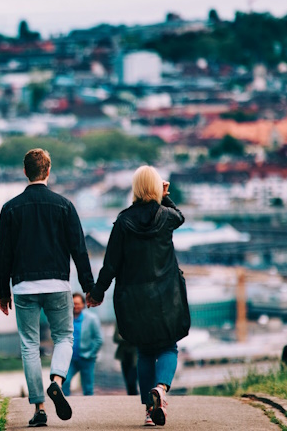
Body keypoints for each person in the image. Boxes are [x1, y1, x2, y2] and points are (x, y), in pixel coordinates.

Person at [0, 148, 94, 428]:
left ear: (25, 171)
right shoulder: (64, 205)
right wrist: (89, 287)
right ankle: (57, 380)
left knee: (29, 346)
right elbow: (79, 249)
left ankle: (39, 408)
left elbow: (4, 254)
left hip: (24, 286)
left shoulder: (10, 208)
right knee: (64, 337)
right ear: (48, 171)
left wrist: (3, 292)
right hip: (57, 284)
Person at [89, 166, 189, 427]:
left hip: (135, 298)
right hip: (166, 295)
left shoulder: (123, 221)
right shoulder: (166, 217)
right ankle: (161, 389)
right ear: (157, 187)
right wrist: (164, 196)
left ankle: (149, 411)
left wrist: (97, 292)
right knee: (168, 345)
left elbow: (111, 263)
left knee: (144, 352)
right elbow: (180, 217)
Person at [63, 293, 103, 396]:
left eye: (77, 303)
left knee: (88, 387)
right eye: (73, 303)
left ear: (83, 304)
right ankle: (65, 405)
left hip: (86, 359)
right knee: (65, 382)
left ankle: (89, 408)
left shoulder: (92, 318)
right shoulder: (66, 319)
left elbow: (99, 339)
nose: (75, 306)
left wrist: (90, 354)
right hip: (70, 359)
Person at [113, 326, 139, 396]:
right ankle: (131, 398)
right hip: (124, 355)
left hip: (136, 356)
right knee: (128, 382)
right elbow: (115, 338)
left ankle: (135, 397)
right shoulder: (121, 318)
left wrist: (125, 337)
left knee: (131, 381)